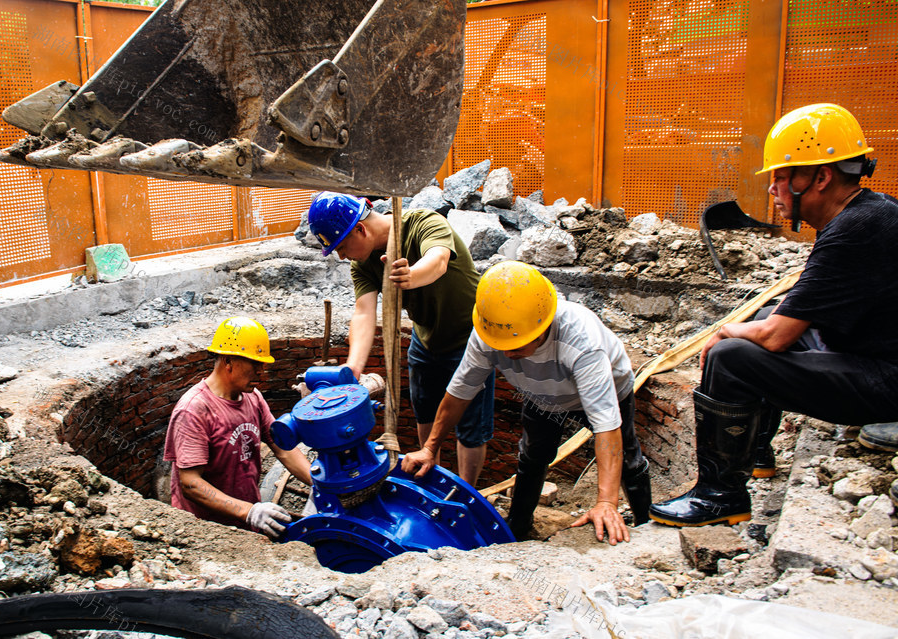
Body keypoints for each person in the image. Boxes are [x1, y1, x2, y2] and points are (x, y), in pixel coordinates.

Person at [649, 103, 898, 527]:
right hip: (876, 355)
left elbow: (777, 338)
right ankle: (754, 451)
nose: (773, 189)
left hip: (887, 382)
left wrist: (725, 331)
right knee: (764, 317)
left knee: (732, 358)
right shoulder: (869, 213)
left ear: (819, 177)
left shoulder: (855, 230)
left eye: (782, 177)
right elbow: (794, 310)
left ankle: (720, 494)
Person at [402, 260, 652, 543]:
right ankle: (518, 529)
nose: (508, 355)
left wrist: (606, 502)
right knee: (532, 458)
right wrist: (429, 447)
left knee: (628, 458)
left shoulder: (580, 340)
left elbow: (607, 428)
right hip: (541, 396)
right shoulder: (490, 333)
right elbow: (459, 393)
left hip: (608, 387)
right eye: (502, 347)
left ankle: (645, 522)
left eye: (517, 346)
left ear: (542, 326)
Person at [307, 192, 495, 485]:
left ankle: (467, 491)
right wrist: (353, 368)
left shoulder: (423, 223)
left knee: (470, 427)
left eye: (341, 246)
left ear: (360, 228)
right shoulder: (364, 263)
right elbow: (364, 313)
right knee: (425, 412)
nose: (341, 256)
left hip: (470, 340)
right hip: (426, 339)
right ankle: (430, 476)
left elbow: (439, 259)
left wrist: (412, 275)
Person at [163, 317, 312, 538]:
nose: (260, 372)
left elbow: (282, 448)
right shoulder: (193, 410)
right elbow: (190, 483)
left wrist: (319, 483)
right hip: (205, 531)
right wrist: (248, 511)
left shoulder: (253, 398)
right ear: (228, 361)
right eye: (255, 364)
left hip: (244, 522)